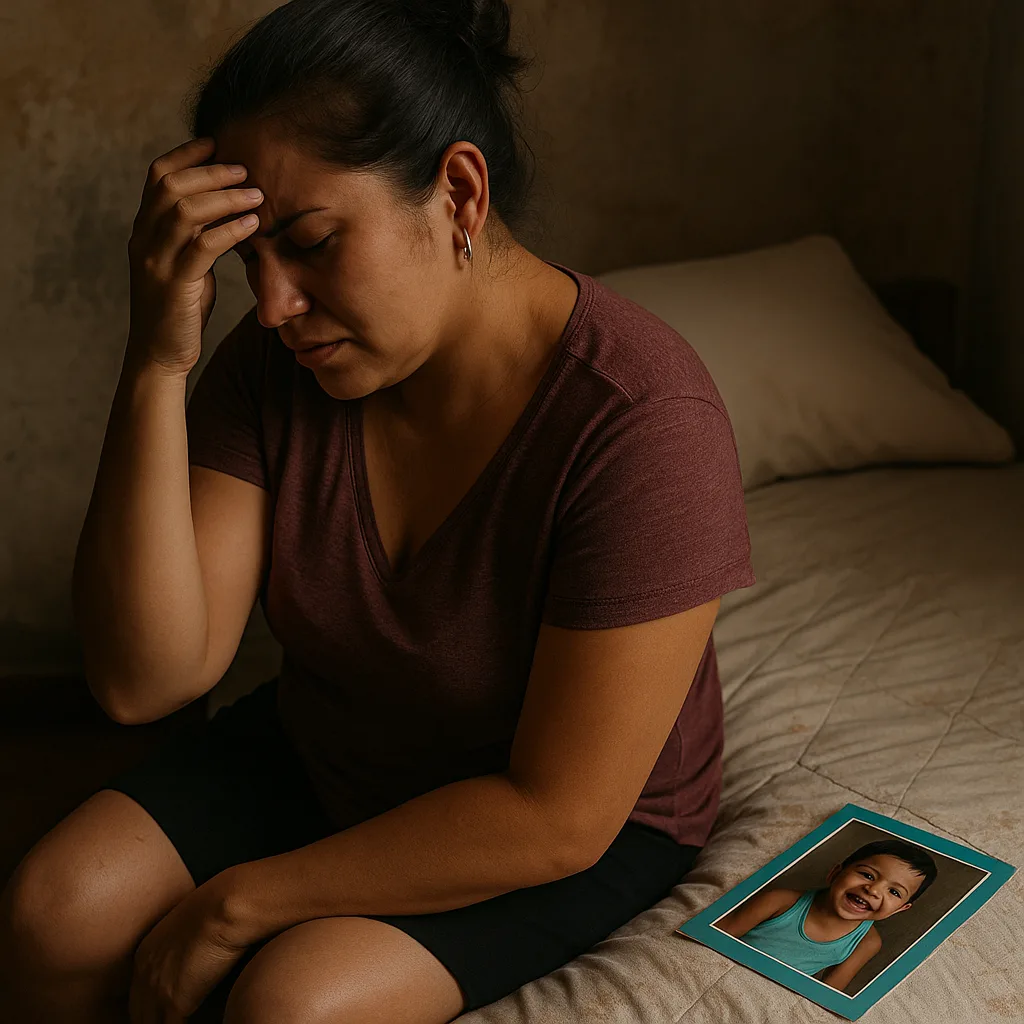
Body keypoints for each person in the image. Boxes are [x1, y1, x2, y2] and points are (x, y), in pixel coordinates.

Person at [0, 1, 756, 1022]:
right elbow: (145, 680)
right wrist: (157, 358)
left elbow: (558, 816)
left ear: (457, 192)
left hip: (549, 819)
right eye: (248, 258)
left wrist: (238, 904)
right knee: (55, 910)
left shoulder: (640, 420)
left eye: (310, 243)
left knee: (293, 1000)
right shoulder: (273, 368)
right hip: (341, 745)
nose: (272, 305)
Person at [716, 838, 939, 993]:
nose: (873, 890)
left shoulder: (867, 942)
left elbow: (828, 992)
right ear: (835, 873)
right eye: (867, 875)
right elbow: (716, 936)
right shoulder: (780, 900)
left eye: (894, 892)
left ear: (900, 909)